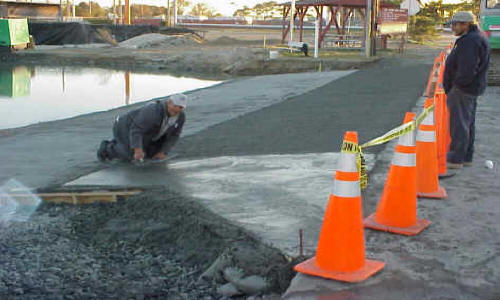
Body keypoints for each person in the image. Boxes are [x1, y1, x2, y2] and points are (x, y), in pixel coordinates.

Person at [443, 11, 490, 169]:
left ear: (466, 24)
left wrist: (456, 85)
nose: (452, 27)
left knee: (459, 124)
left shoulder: (470, 41)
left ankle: (456, 159)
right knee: (467, 123)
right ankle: (466, 157)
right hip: (468, 88)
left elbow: (468, 69)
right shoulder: (474, 38)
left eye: (455, 24)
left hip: (463, 89)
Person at [97, 93, 187, 163]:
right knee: (130, 155)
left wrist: (163, 152)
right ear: (168, 102)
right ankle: (107, 148)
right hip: (125, 126)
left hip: (148, 132)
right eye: (175, 106)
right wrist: (137, 150)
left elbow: (174, 136)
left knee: (151, 155)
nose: (176, 109)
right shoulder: (153, 111)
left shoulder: (180, 117)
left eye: (180, 107)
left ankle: (126, 144)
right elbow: (136, 130)